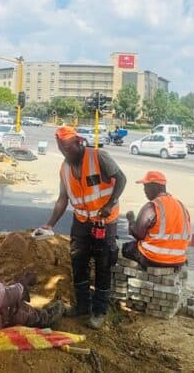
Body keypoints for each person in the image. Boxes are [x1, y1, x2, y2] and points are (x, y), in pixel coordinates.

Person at [39, 126, 127, 329]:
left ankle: (99, 311)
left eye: (69, 149)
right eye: (62, 149)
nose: (66, 153)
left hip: (104, 221)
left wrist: (110, 204)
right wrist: (50, 223)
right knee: (78, 263)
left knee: (103, 265)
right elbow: (63, 198)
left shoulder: (99, 157)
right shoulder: (64, 168)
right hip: (81, 222)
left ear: (80, 143)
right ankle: (82, 307)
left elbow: (121, 179)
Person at [122, 171, 192, 270]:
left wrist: (131, 220)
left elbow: (138, 234)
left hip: (153, 258)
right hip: (178, 260)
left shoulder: (153, 206)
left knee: (126, 248)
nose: (144, 191)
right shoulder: (181, 205)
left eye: (146, 187)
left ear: (155, 187)